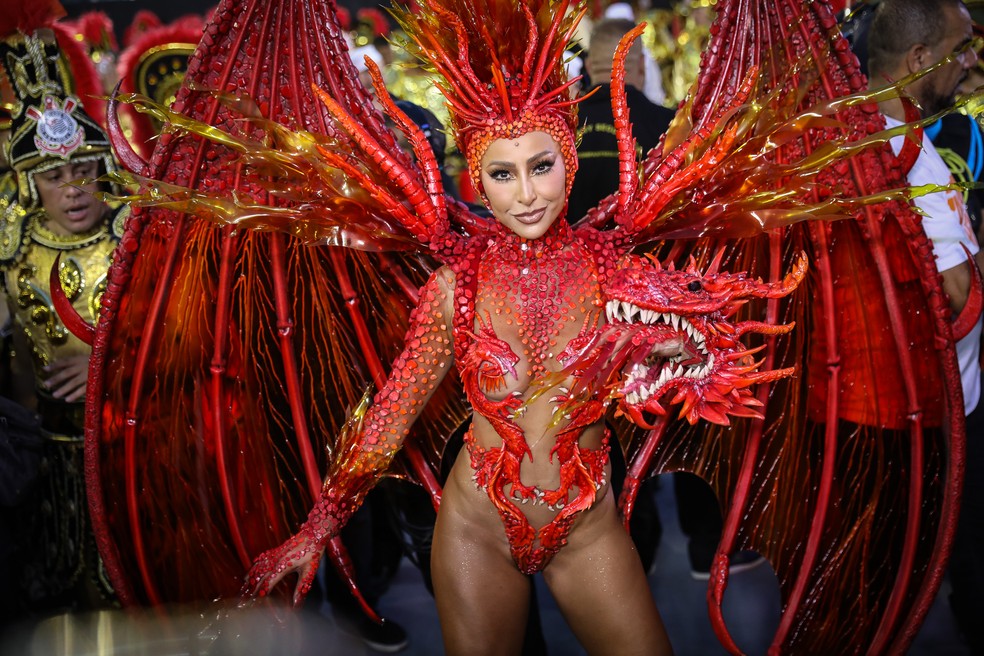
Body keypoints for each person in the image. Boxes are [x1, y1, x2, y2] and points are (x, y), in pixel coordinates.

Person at [866, 0, 984, 652]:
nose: (968, 63)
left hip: (935, 401)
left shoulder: (895, 125)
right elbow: (954, 292)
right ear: (918, 61)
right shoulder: (896, 150)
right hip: (936, 412)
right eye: (959, 49)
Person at [0, 11, 125, 616]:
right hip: (44, 458)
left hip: (129, 447)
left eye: (83, 171)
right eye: (54, 175)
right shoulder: (12, 246)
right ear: (31, 185)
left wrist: (110, 365)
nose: (73, 188)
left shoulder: (138, 237)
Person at [567, 18, 675, 223]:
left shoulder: (561, 125)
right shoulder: (669, 125)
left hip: (571, 252)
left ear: (589, 65)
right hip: (645, 254)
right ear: (642, 64)